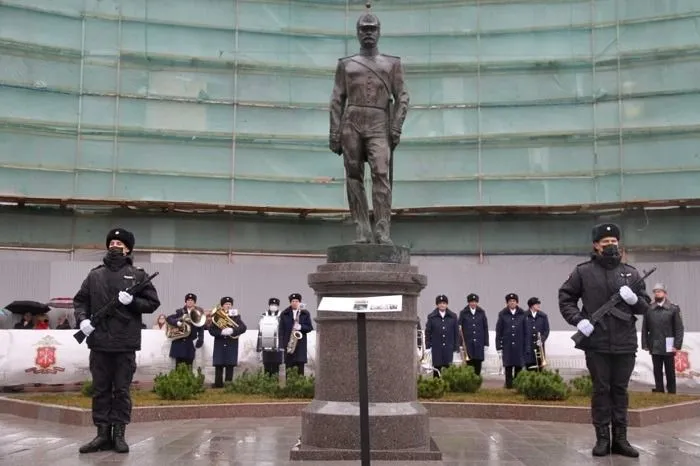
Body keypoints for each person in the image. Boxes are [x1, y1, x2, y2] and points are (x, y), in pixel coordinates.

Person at [559, 223, 651, 457]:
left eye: (614, 241)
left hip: (625, 342)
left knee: (620, 390)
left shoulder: (631, 273)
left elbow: (645, 306)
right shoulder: (583, 272)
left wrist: (633, 301)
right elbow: (566, 298)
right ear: (596, 245)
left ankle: (621, 439)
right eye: (605, 242)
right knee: (601, 390)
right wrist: (579, 321)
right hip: (597, 343)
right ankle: (602, 439)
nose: (610, 245)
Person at [74, 227, 160, 454]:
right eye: (111, 242)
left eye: (120, 243)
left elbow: (152, 303)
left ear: (128, 248)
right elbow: (80, 301)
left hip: (124, 343)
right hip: (99, 342)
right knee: (100, 389)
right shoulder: (94, 275)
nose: (115, 245)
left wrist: (132, 301)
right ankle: (102, 434)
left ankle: (119, 435)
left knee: (121, 390)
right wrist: (82, 320)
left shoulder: (138, 275)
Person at [328, 4, 409, 244]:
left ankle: (382, 230)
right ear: (357, 33)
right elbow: (336, 99)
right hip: (351, 122)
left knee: (381, 174)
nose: (368, 33)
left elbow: (402, 96)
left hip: (378, 123)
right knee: (353, 175)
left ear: (379, 32)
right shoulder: (346, 65)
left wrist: (396, 126)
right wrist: (334, 132)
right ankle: (362, 230)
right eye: (364, 29)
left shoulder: (392, 64)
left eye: (372, 29)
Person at [641, 283, 684, 394]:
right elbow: (645, 328)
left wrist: (677, 345)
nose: (657, 293)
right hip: (654, 343)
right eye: (655, 291)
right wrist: (645, 344)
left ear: (665, 293)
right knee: (657, 369)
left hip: (669, 344)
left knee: (670, 370)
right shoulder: (649, 309)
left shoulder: (673, 309)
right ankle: (659, 389)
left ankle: (672, 391)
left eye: (659, 291)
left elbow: (679, 328)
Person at [209, 297, 247, 388]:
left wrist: (233, 330)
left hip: (231, 343)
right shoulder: (217, 317)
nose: (228, 306)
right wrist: (221, 332)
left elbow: (243, 327)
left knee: (230, 365)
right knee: (219, 365)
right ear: (222, 306)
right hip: (220, 343)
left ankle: (228, 384)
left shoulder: (236, 316)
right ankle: (218, 384)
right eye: (226, 304)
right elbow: (211, 330)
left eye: (230, 304)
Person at [495, 293, 528, 388]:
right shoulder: (502, 314)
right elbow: (499, 331)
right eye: (510, 301)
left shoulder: (523, 314)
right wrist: (499, 346)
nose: (512, 303)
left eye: (514, 301)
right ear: (507, 303)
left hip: (519, 345)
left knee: (519, 366)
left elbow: (526, 331)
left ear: (517, 302)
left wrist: (526, 346)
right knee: (508, 366)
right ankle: (508, 385)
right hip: (507, 345)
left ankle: (518, 385)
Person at [166, 293, 205, 368]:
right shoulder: (180, 312)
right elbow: (168, 318)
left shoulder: (198, 313)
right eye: (188, 300)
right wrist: (177, 322)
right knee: (178, 366)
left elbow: (201, 328)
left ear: (194, 302)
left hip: (190, 342)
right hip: (179, 342)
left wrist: (200, 339)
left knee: (189, 365)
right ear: (185, 302)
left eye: (192, 300)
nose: (190, 301)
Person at [279, 293, 313, 376]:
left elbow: (309, 327)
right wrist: (282, 345)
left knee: (300, 372)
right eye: (293, 301)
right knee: (289, 372)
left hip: (300, 346)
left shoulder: (305, 313)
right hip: (289, 346)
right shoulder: (284, 313)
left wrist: (301, 327)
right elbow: (281, 330)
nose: (294, 303)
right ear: (290, 302)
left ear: (300, 302)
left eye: (297, 301)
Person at [425, 294, 459, 377]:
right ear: (437, 304)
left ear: (447, 304)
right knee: (437, 368)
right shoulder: (431, 317)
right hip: (437, 347)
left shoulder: (453, 316)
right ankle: (436, 385)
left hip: (449, 347)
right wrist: (428, 346)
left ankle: (448, 385)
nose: (442, 305)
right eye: (440, 303)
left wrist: (456, 347)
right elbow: (428, 332)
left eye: (444, 303)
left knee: (448, 368)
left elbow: (456, 333)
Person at [458, 293, 489, 376]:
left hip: (479, 343)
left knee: (478, 363)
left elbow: (485, 328)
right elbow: (460, 329)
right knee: (469, 364)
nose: (473, 303)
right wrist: (460, 343)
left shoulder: (481, 312)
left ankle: (477, 381)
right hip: (468, 343)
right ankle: (470, 382)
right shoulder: (463, 313)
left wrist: (486, 343)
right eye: (471, 302)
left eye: (475, 302)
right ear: (468, 302)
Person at [257, 297, 283, 377]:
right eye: (272, 304)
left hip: (278, 343)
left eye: (275, 305)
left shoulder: (282, 315)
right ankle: (267, 384)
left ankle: (275, 385)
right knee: (267, 365)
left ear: (278, 306)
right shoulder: (264, 315)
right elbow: (260, 331)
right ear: (269, 305)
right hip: (266, 343)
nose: (273, 306)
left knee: (276, 365)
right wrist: (258, 346)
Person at [523, 297, 550, 371]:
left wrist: (542, 339)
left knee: (540, 369)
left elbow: (546, 330)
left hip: (539, 346)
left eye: (538, 304)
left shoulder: (543, 316)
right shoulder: (524, 316)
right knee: (529, 369)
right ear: (531, 305)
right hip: (528, 347)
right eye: (536, 304)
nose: (538, 305)